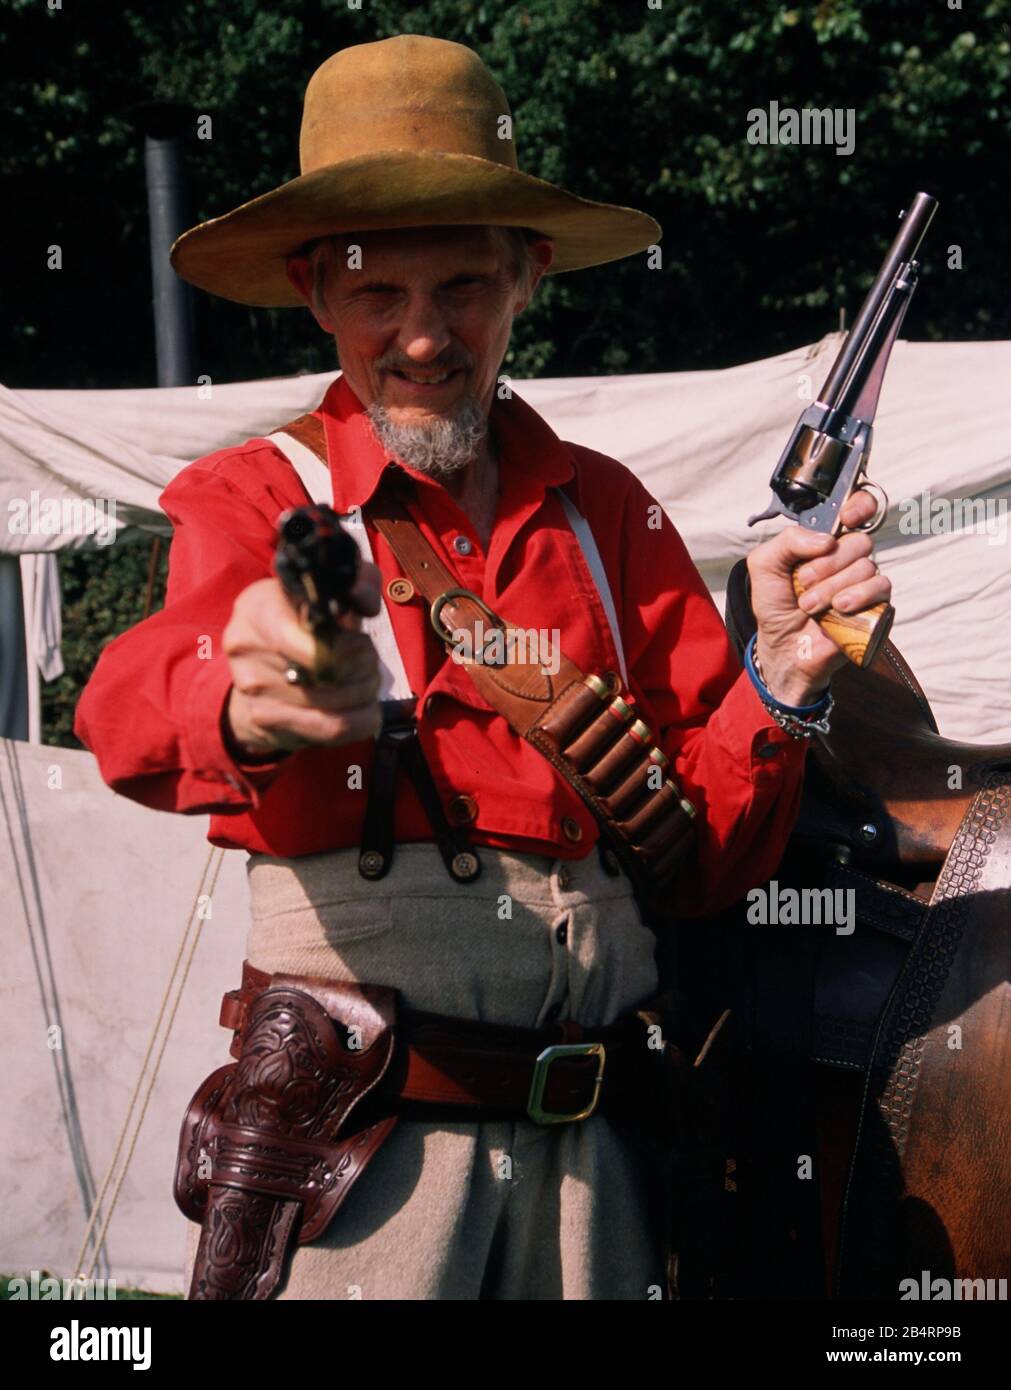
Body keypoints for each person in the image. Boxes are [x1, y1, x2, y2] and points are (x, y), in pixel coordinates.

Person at [74, 34, 890, 1301]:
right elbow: (128, 706)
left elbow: (709, 864)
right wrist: (245, 696)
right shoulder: (255, 496)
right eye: (373, 296)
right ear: (312, 290)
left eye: (462, 285)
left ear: (529, 273)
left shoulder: (610, 513)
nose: (420, 338)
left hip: (603, 1166)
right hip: (363, 1173)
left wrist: (780, 676)